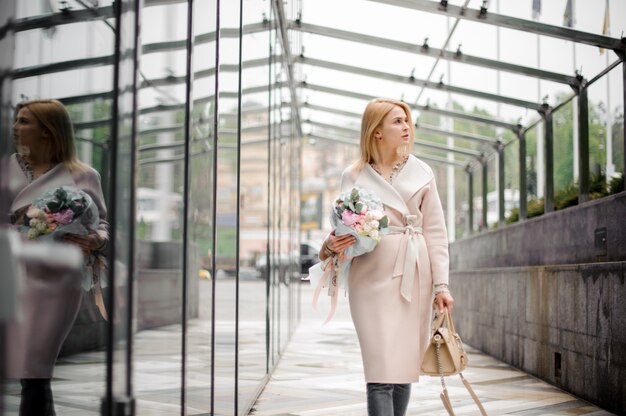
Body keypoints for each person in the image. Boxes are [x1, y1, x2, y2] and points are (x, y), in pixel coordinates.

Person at [319, 98, 454, 416]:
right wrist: (334, 243)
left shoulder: (423, 172)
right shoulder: (353, 175)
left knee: (403, 367)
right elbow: (341, 226)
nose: (407, 127)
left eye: (408, 121)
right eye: (397, 121)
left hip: (414, 273)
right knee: (380, 371)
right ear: (376, 131)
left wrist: (442, 286)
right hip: (369, 277)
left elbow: (436, 234)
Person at [4, 99, 108, 415]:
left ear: (48, 131)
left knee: (35, 368)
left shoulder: (83, 175)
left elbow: (102, 222)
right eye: (16, 120)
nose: (15, 127)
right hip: (9, 274)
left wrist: (94, 240)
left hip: (57, 282)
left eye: (24, 121)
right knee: (26, 372)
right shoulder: (5, 169)